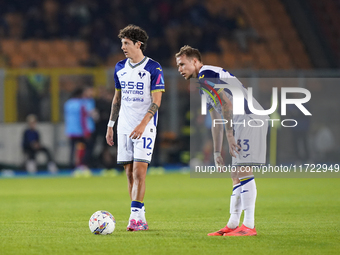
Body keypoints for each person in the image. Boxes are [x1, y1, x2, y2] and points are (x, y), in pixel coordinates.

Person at [175, 45, 268, 236]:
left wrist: (230, 135)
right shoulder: (203, 85)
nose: (180, 69)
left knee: (242, 170)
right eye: (177, 66)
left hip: (251, 118)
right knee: (235, 174)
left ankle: (249, 226)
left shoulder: (206, 75)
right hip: (242, 121)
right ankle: (233, 224)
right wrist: (217, 151)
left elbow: (227, 103)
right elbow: (216, 119)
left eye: (182, 64)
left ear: (195, 61)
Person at [106, 25, 165, 231]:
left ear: (138, 44)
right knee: (129, 173)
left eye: (126, 43)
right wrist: (111, 125)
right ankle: (139, 214)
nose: (123, 47)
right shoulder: (119, 68)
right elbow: (117, 99)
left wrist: (142, 124)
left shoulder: (153, 68)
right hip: (123, 126)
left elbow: (157, 101)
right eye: (122, 43)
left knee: (140, 172)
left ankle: (135, 218)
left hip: (145, 127)